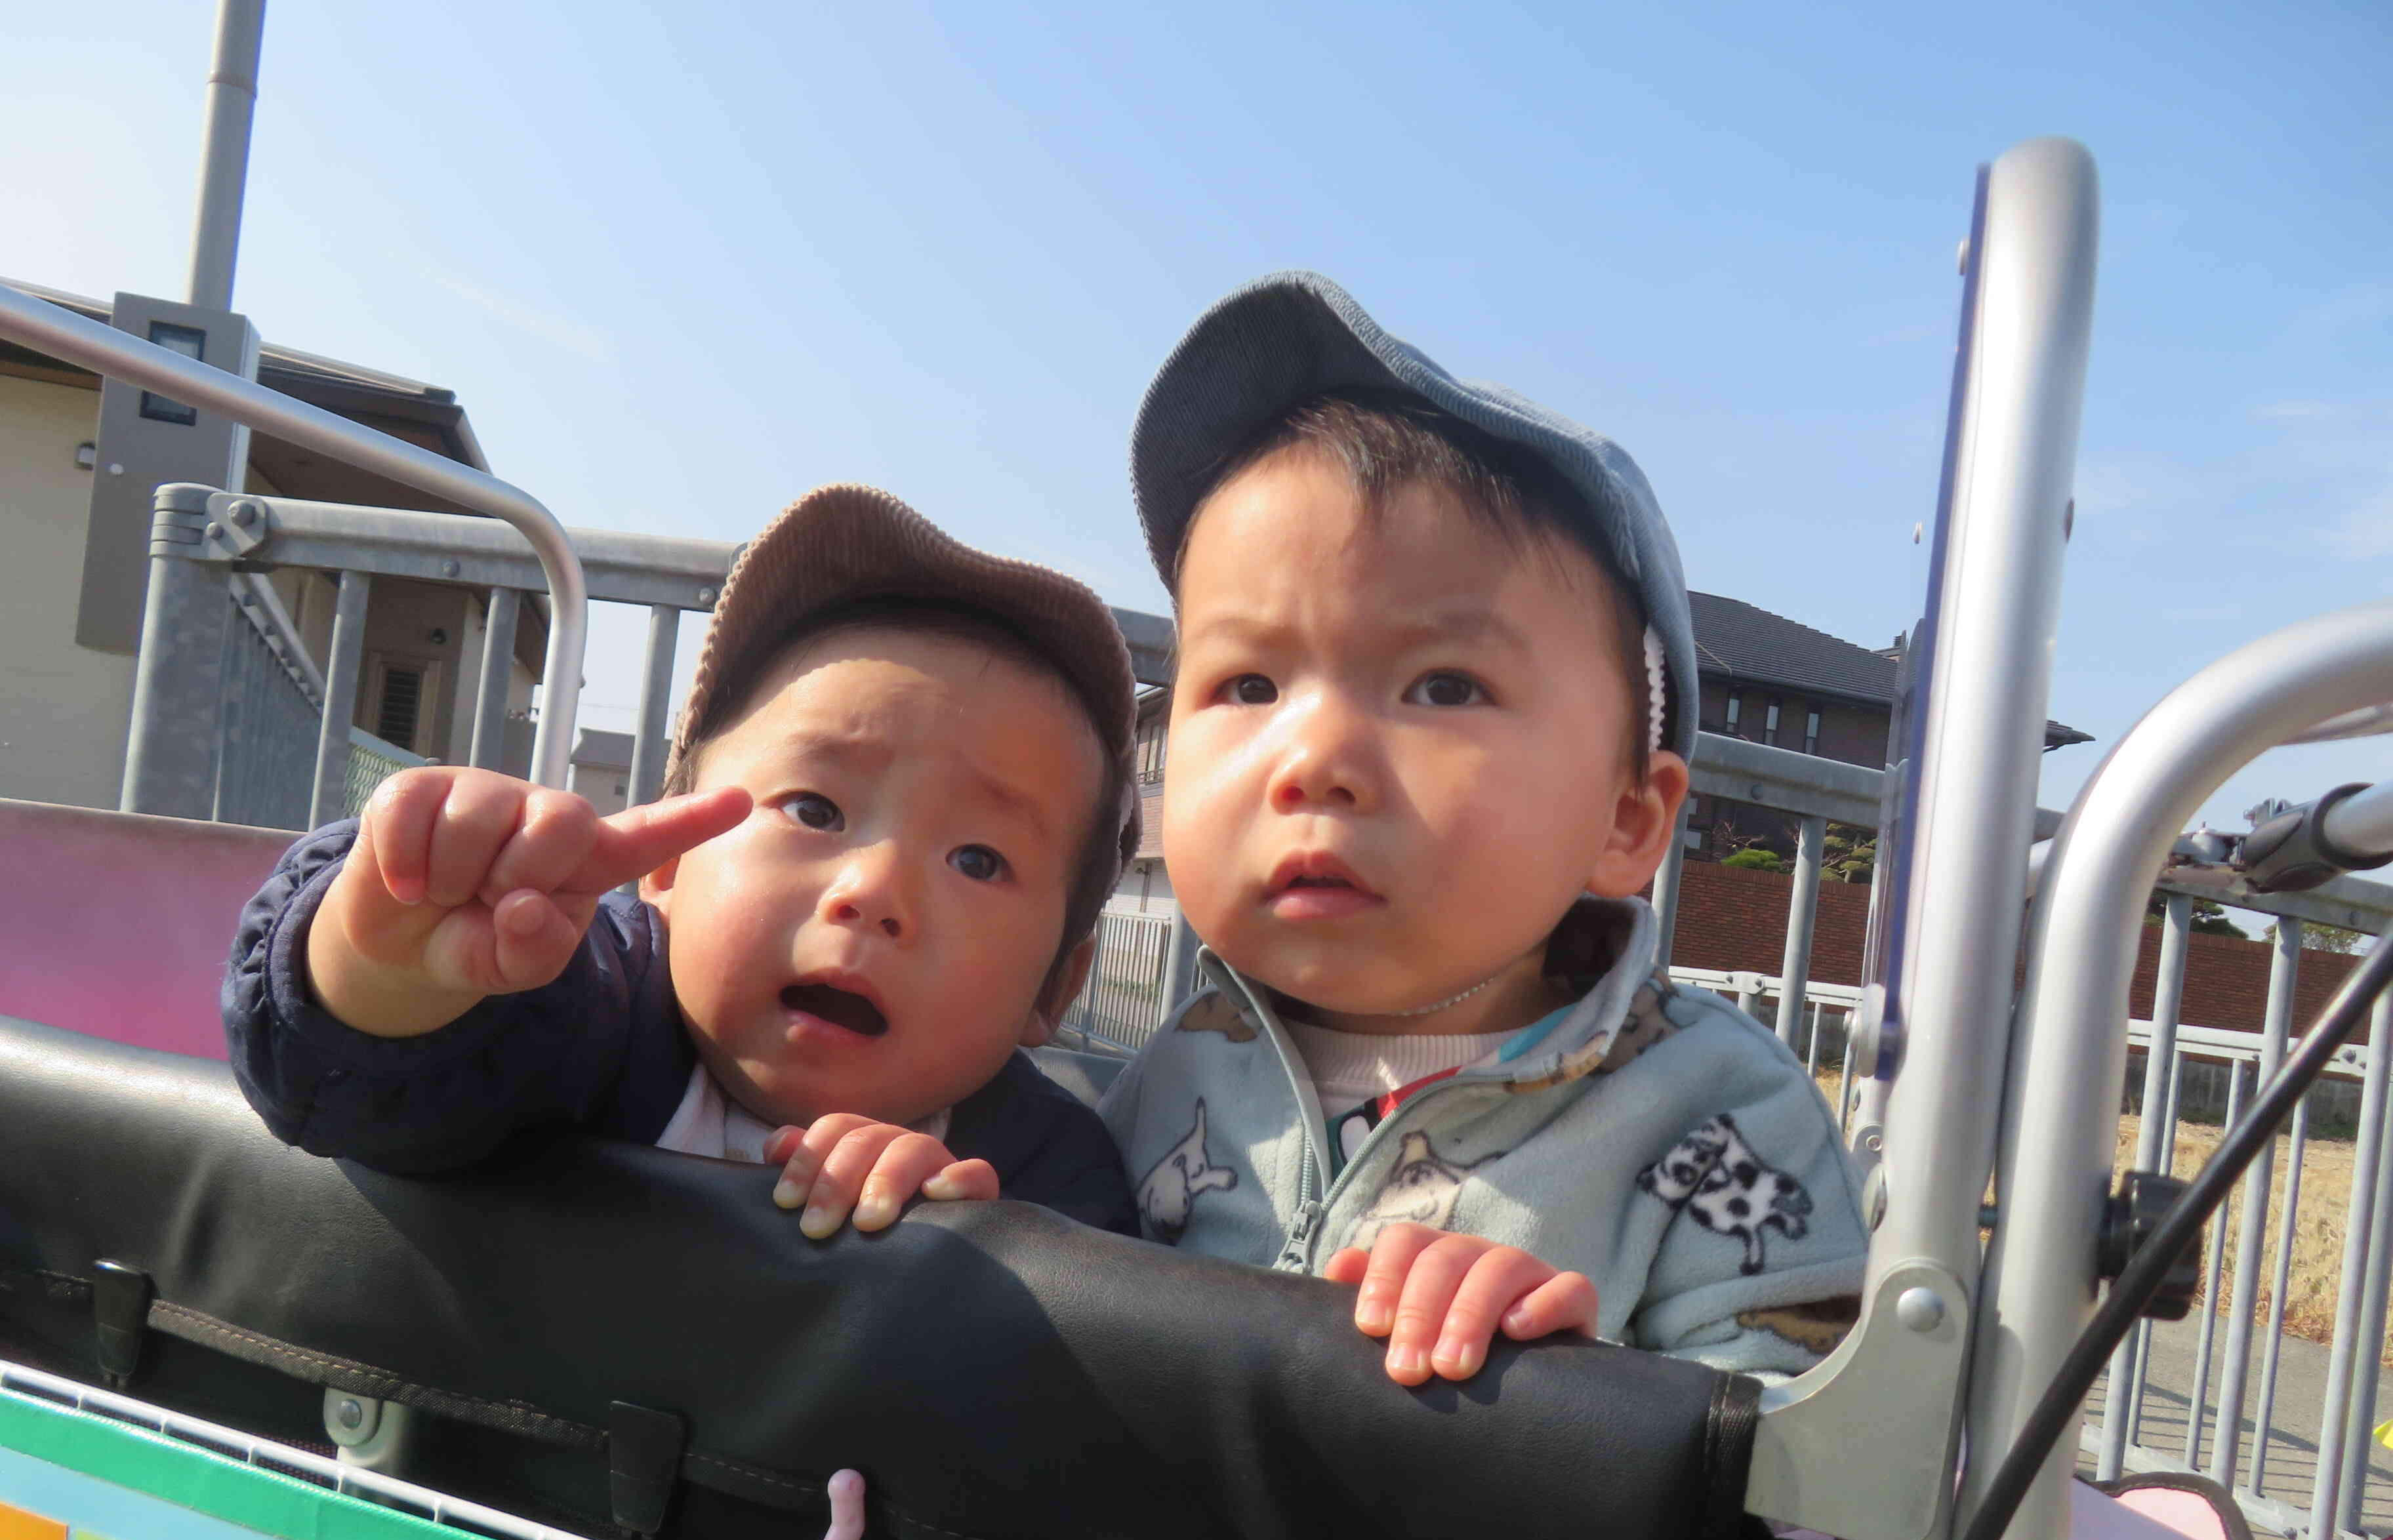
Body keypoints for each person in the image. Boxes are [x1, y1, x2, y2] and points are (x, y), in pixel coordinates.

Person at [1096, 271, 1870, 1383]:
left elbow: (1813, 1455)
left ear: (1626, 819)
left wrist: (1587, 1387)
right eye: (1252, 685)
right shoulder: (1183, 1063)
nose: (1314, 760)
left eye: (1444, 688)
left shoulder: (1706, 1108)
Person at [224, 484, 1139, 1236]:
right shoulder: (596, 1006)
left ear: (1053, 989)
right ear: (666, 862)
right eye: (816, 809)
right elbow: (356, 1097)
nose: (873, 891)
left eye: (978, 861)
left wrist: (976, 1248)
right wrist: (395, 958)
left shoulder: (1044, 1169)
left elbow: (1116, 1384)